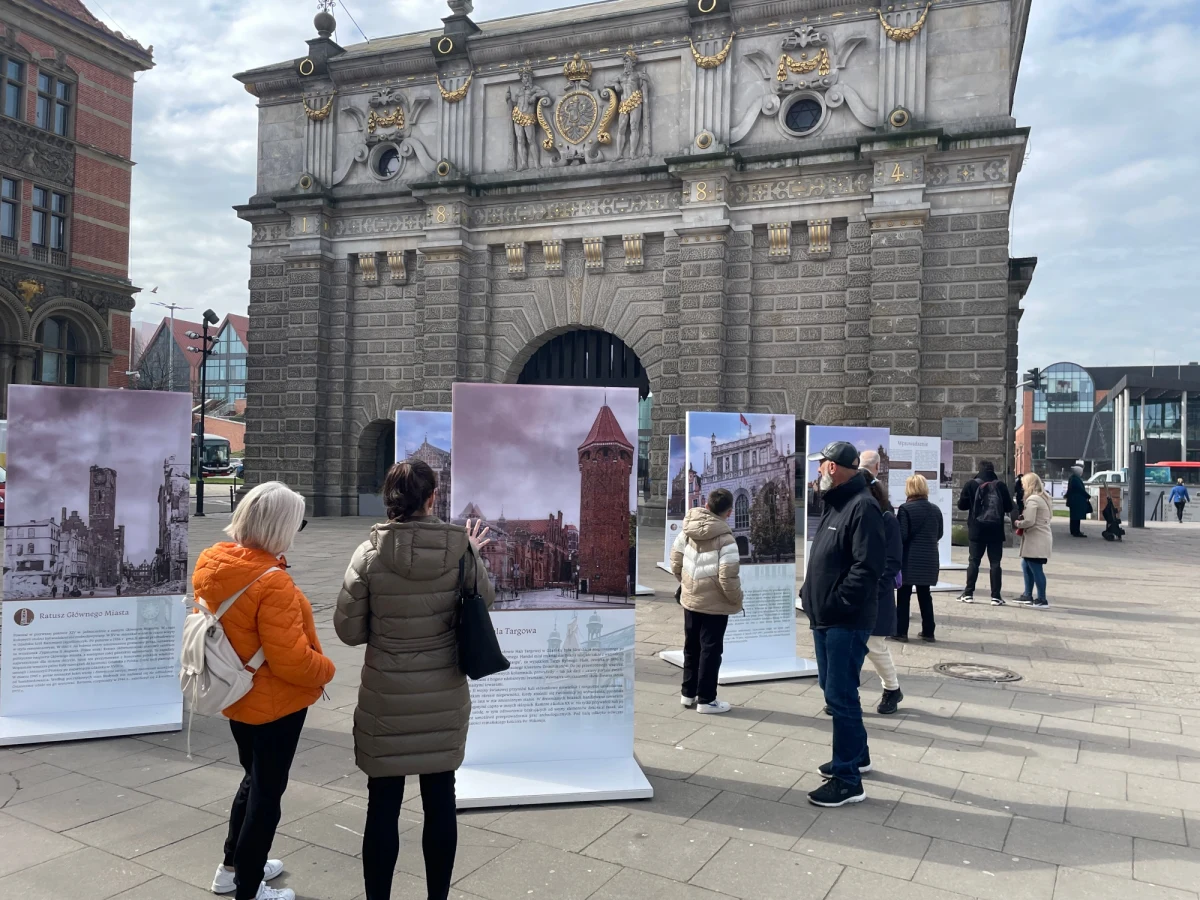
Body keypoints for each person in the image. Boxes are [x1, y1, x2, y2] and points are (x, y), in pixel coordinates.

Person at [335, 460, 494, 900]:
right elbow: (485, 605)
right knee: (440, 802)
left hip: (385, 699)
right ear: (432, 498)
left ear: (390, 499)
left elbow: (349, 631)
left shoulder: (368, 554)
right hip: (443, 696)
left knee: (382, 806)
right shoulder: (461, 551)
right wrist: (473, 555)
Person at [196, 481, 336, 900]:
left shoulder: (214, 562)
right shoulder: (272, 582)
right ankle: (249, 886)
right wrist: (327, 670)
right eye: (297, 523)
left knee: (252, 781)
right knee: (266, 796)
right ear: (279, 527)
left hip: (235, 693)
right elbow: (292, 660)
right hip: (274, 703)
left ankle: (233, 867)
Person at [799, 441, 885, 807]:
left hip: (844, 621)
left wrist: (838, 602)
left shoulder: (862, 506)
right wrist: (809, 593)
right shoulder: (837, 503)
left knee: (841, 695)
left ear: (832, 467)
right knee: (833, 689)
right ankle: (857, 756)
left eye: (820, 465)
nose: (818, 471)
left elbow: (867, 567)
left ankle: (848, 779)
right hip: (825, 617)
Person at [671, 487, 744, 714]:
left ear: (706, 506)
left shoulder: (687, 529)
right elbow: (727, 576)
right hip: (715, 604)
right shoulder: (726, 539)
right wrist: (736, 599)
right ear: (729, 512)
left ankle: (687, 693)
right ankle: (707, 699)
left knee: (691, 647)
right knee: (711, 651)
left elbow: (675, 560)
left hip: (691, 599)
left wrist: (686, 583)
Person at [862, 470, 904, 715]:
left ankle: (892, 688)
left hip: (877, 593)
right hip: (854, 591)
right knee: (850, 647)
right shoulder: (855, 513)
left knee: (874, 645)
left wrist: (875, 588)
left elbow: (893, 561)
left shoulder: (887, 518)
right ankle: (846, 694)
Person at [956, 459, 1014, 605]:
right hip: (996, 530)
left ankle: (968, 593)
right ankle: (996, 596)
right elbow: (1009, 507)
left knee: (974, 561)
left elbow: (962, 506)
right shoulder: (1000, 485)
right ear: (993, 469)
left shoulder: (971, 484)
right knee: (995, 563)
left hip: (977, 530)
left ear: (979, 469)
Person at [895, 474, 943, 642]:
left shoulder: (905, 509)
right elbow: (939, 533)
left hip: (909, 559)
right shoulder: (935, 509)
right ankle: (928, 632)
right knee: (925, 595)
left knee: (904, 595)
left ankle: (901, 632)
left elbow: (902, 536)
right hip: (929, 558)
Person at [1013, 473, 1053, 608]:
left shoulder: (1033, 500)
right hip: (1041, 537)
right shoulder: (1044, 497)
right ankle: (1027, 595)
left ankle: (1042, 598)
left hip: (1036, 539)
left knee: (1036, 568)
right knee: (1026, 564)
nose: (1023, 487)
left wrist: (1018, 523)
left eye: (1024, 484)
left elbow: (1029, 521)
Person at [1065, 464, 1091, 537]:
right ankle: (1076, 531)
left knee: (1073, 516)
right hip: (1077, 500)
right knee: (1077, 516)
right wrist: (1087, 495)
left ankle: (1073, 530)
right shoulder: (1076, 479)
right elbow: (1080, 489)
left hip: (1073, 500)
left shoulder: (1072, 478)